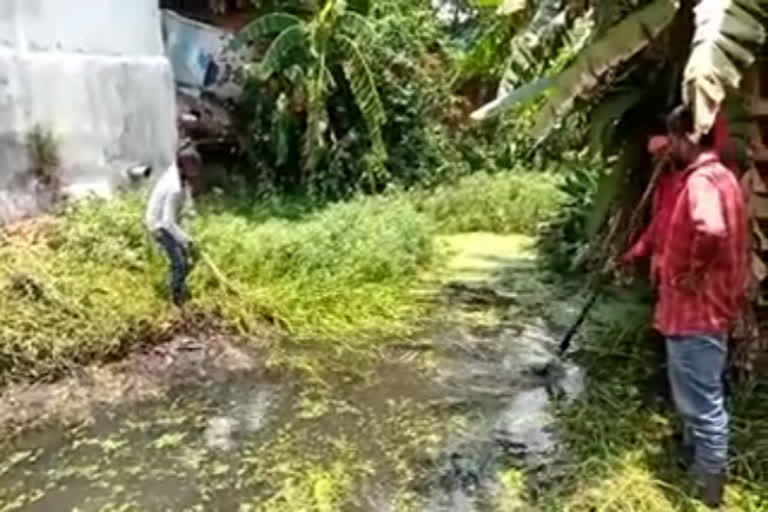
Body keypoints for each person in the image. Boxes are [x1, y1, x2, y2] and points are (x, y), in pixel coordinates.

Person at [621, 105, 748, 508]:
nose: (671, 147)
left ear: (687, 139)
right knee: (701, 397)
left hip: (695, 314)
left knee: (704, 406)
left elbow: (711, 228)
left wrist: (692, 271)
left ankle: (709, 496)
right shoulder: (724, 177)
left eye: (674, 139)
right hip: (712, 308)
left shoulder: (700, 182)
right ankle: (697, 471)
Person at [146, 146, 202, 306]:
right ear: (182, 166)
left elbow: (185, 201)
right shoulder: (174, 187)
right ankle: (176, 299)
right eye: (193, 167)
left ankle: (177, 286)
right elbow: (167, 222)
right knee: (180, 262)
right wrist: (188, 241)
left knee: (185, 258)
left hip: (167, 222)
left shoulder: (177, 174)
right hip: (158, 226)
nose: (197, 170)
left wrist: (189, 213)